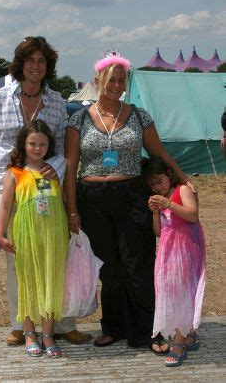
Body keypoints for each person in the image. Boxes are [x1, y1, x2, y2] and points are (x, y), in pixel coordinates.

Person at [64, 50, 194, 352]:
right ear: (99, 80)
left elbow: (160, 153)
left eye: (122, 80)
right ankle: (114, 327)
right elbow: (71, 167)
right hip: (92, 199)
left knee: (137, 264)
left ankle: (147, 331)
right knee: (108, 267)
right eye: (111, 79)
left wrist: (182, 178)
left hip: (133, 196)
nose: (116, 84)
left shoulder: (139, 116)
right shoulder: (78, 119)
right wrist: (72, 209)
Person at [0, 36, 91, 346]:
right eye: (30, 60)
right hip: (6, 187)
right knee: (17, 259)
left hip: (45, 188)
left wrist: (57, 166)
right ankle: (20, 324)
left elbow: (63, 148)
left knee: (56, 256)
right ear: (20, 64)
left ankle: (63, 324)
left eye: (42, 61)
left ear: (48, 66)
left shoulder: (56, 102)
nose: (36, 66)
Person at [0, 120, 68, 358]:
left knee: (51, 281)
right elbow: (5, 206)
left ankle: (48, 333)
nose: (37, 148)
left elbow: (65, 202)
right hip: (26, 234)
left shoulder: (54, 170)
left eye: (42, 144)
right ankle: (29, 332)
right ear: (23, 144)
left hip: (53, 234)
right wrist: (0, 233)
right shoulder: (14, 172)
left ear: (49, 146)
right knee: (27, 283)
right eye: (32, 144)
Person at [142, 156, 206, 367]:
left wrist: (169, 203)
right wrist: (154, 213)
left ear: (169, 175)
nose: (156, 186)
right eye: (152, 184)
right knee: (171, 290)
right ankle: (187, 335)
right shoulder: (159, 199)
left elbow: (193, 215)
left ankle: (178, 343)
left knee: (182, 291)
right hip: (168, 252)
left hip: (186, 247)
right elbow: (159, 232)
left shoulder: (182, 191)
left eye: (159, 181)